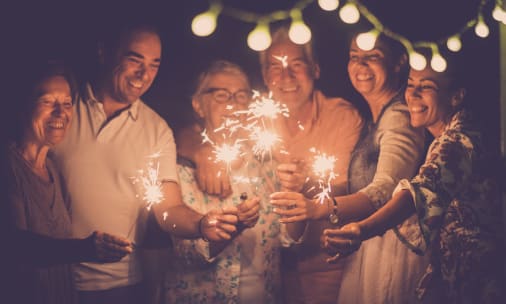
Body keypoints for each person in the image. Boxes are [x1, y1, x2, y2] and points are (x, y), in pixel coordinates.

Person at [52, 24, 237, 304]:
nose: (144, 74)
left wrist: (201, 224)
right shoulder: (63, 109)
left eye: (154, 65)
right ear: (105, 53)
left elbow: (169, 207)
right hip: (51, 277)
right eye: (134, 60)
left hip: (120, 285)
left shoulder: (156, 130)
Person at [323, 53, 502, 303]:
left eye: (427, 86)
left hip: (477, 282)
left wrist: (361, 230)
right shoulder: (451, 134)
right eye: (411, 84)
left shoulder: (458, 141)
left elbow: (417, 194)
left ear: (456, 96)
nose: (414, 95)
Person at [271, 31, 427, 304]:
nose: (361, 66)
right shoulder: (377, 118)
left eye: (373, 57)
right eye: (354, 57)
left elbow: (385, 189)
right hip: (367, 250)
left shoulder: (399, 117)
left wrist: (320, 208)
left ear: (398, 62)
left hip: (392, 251)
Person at [165, 60, 302, 303]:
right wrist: (235, 225)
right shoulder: (179, 172)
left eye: (241, 96)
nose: (233, 103)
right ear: (198, 105)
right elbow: (189, 255)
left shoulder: (268, 168)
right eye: (221, 95)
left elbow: (288, 239)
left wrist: (296, 196)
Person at [4, 61, 133, 304]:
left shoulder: (53, 169)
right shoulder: (9, 167)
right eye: (47, 102)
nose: (60, 113)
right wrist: (85, 249)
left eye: (66, 104)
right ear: (23, 105)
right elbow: (15, 246)